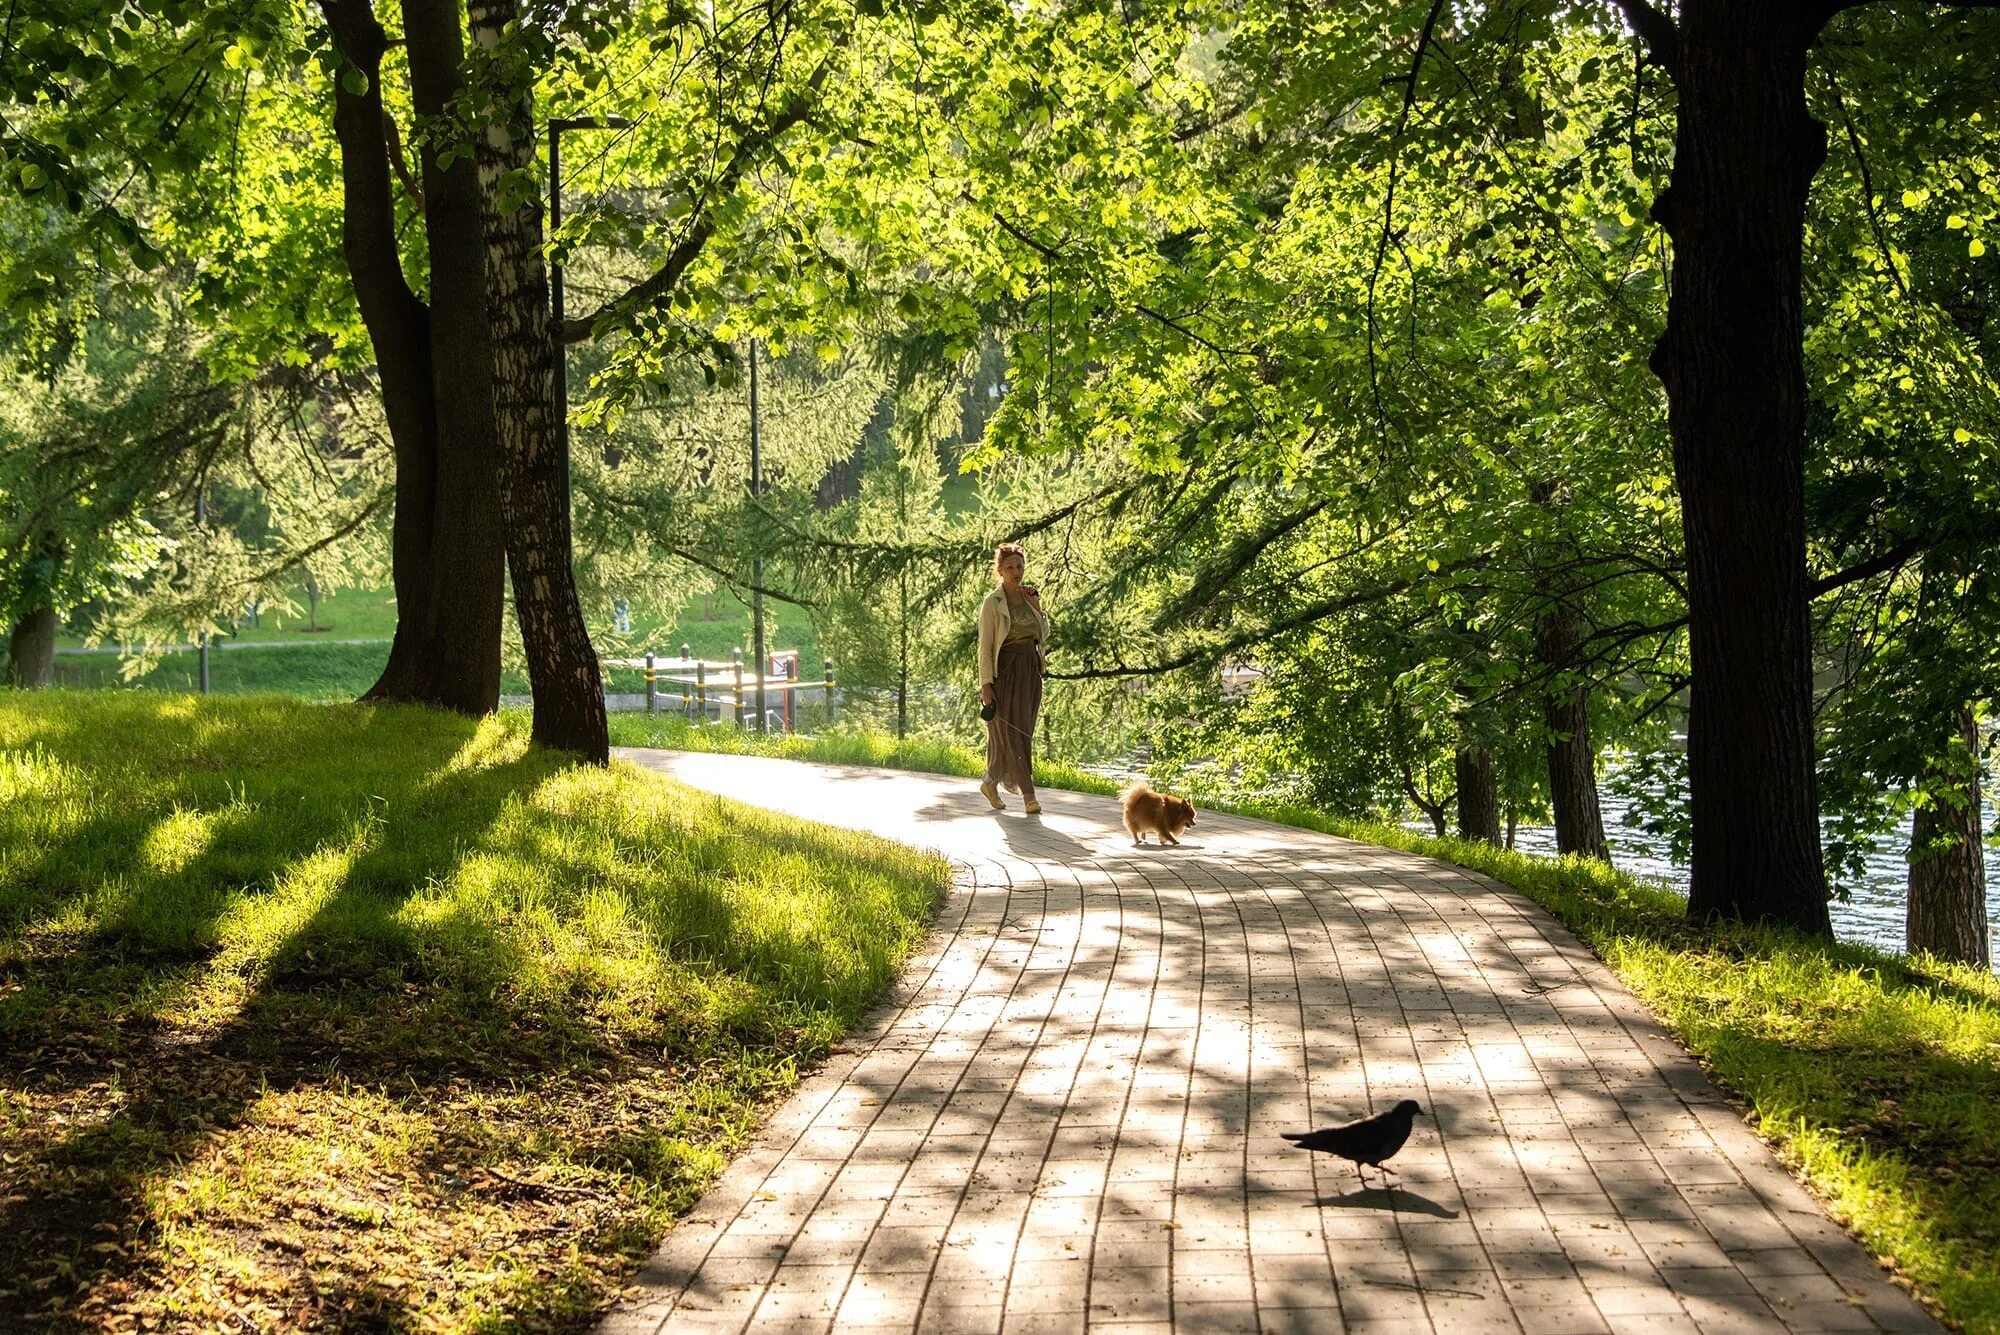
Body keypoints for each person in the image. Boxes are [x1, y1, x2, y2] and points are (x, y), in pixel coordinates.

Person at [976, 542, 1048, 814]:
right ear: (1000, 570)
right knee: (1014, 732)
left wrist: (1037, 606)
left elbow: (1043, 634)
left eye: (1019, 566)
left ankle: (990, 781)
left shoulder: (1029, 596)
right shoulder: (992, 603)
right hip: (1006, 670)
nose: (1016, 572)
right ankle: (1029, 795)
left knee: (1022, 730)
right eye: (1009, 567)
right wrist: (986, 684)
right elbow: (985, 646)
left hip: (1030, 669)